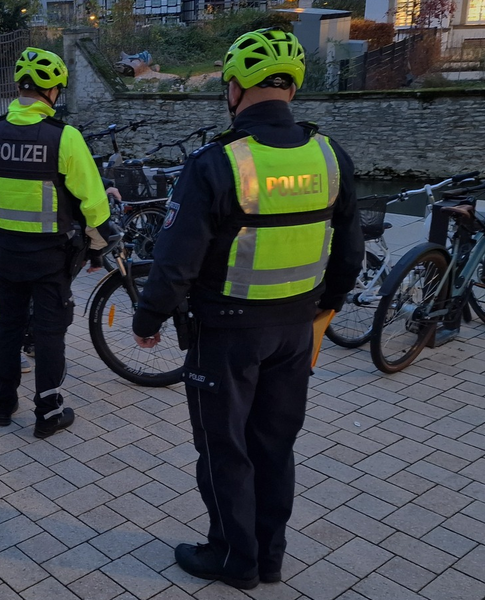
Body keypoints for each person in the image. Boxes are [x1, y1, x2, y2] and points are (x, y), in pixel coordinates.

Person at [131, 28, 364, 590]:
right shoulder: (330, 155)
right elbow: (351, 252)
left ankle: (234, 559)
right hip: (295, 330)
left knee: (225, 449)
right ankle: (270, 555)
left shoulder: (217, 163)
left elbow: (176, 260)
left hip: (228, 335)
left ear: (235, 87)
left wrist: (147, 319)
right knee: (274, 445)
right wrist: (321, 309)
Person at [0, 47, 114, 438]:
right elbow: (94, 205)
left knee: (9, 327)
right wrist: (100, 238)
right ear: (55, 92)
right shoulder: (65, 139)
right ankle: (48, 413)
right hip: (51, 259)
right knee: (49, 333)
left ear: (19, 87)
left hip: (6, 255)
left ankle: (2, 403)